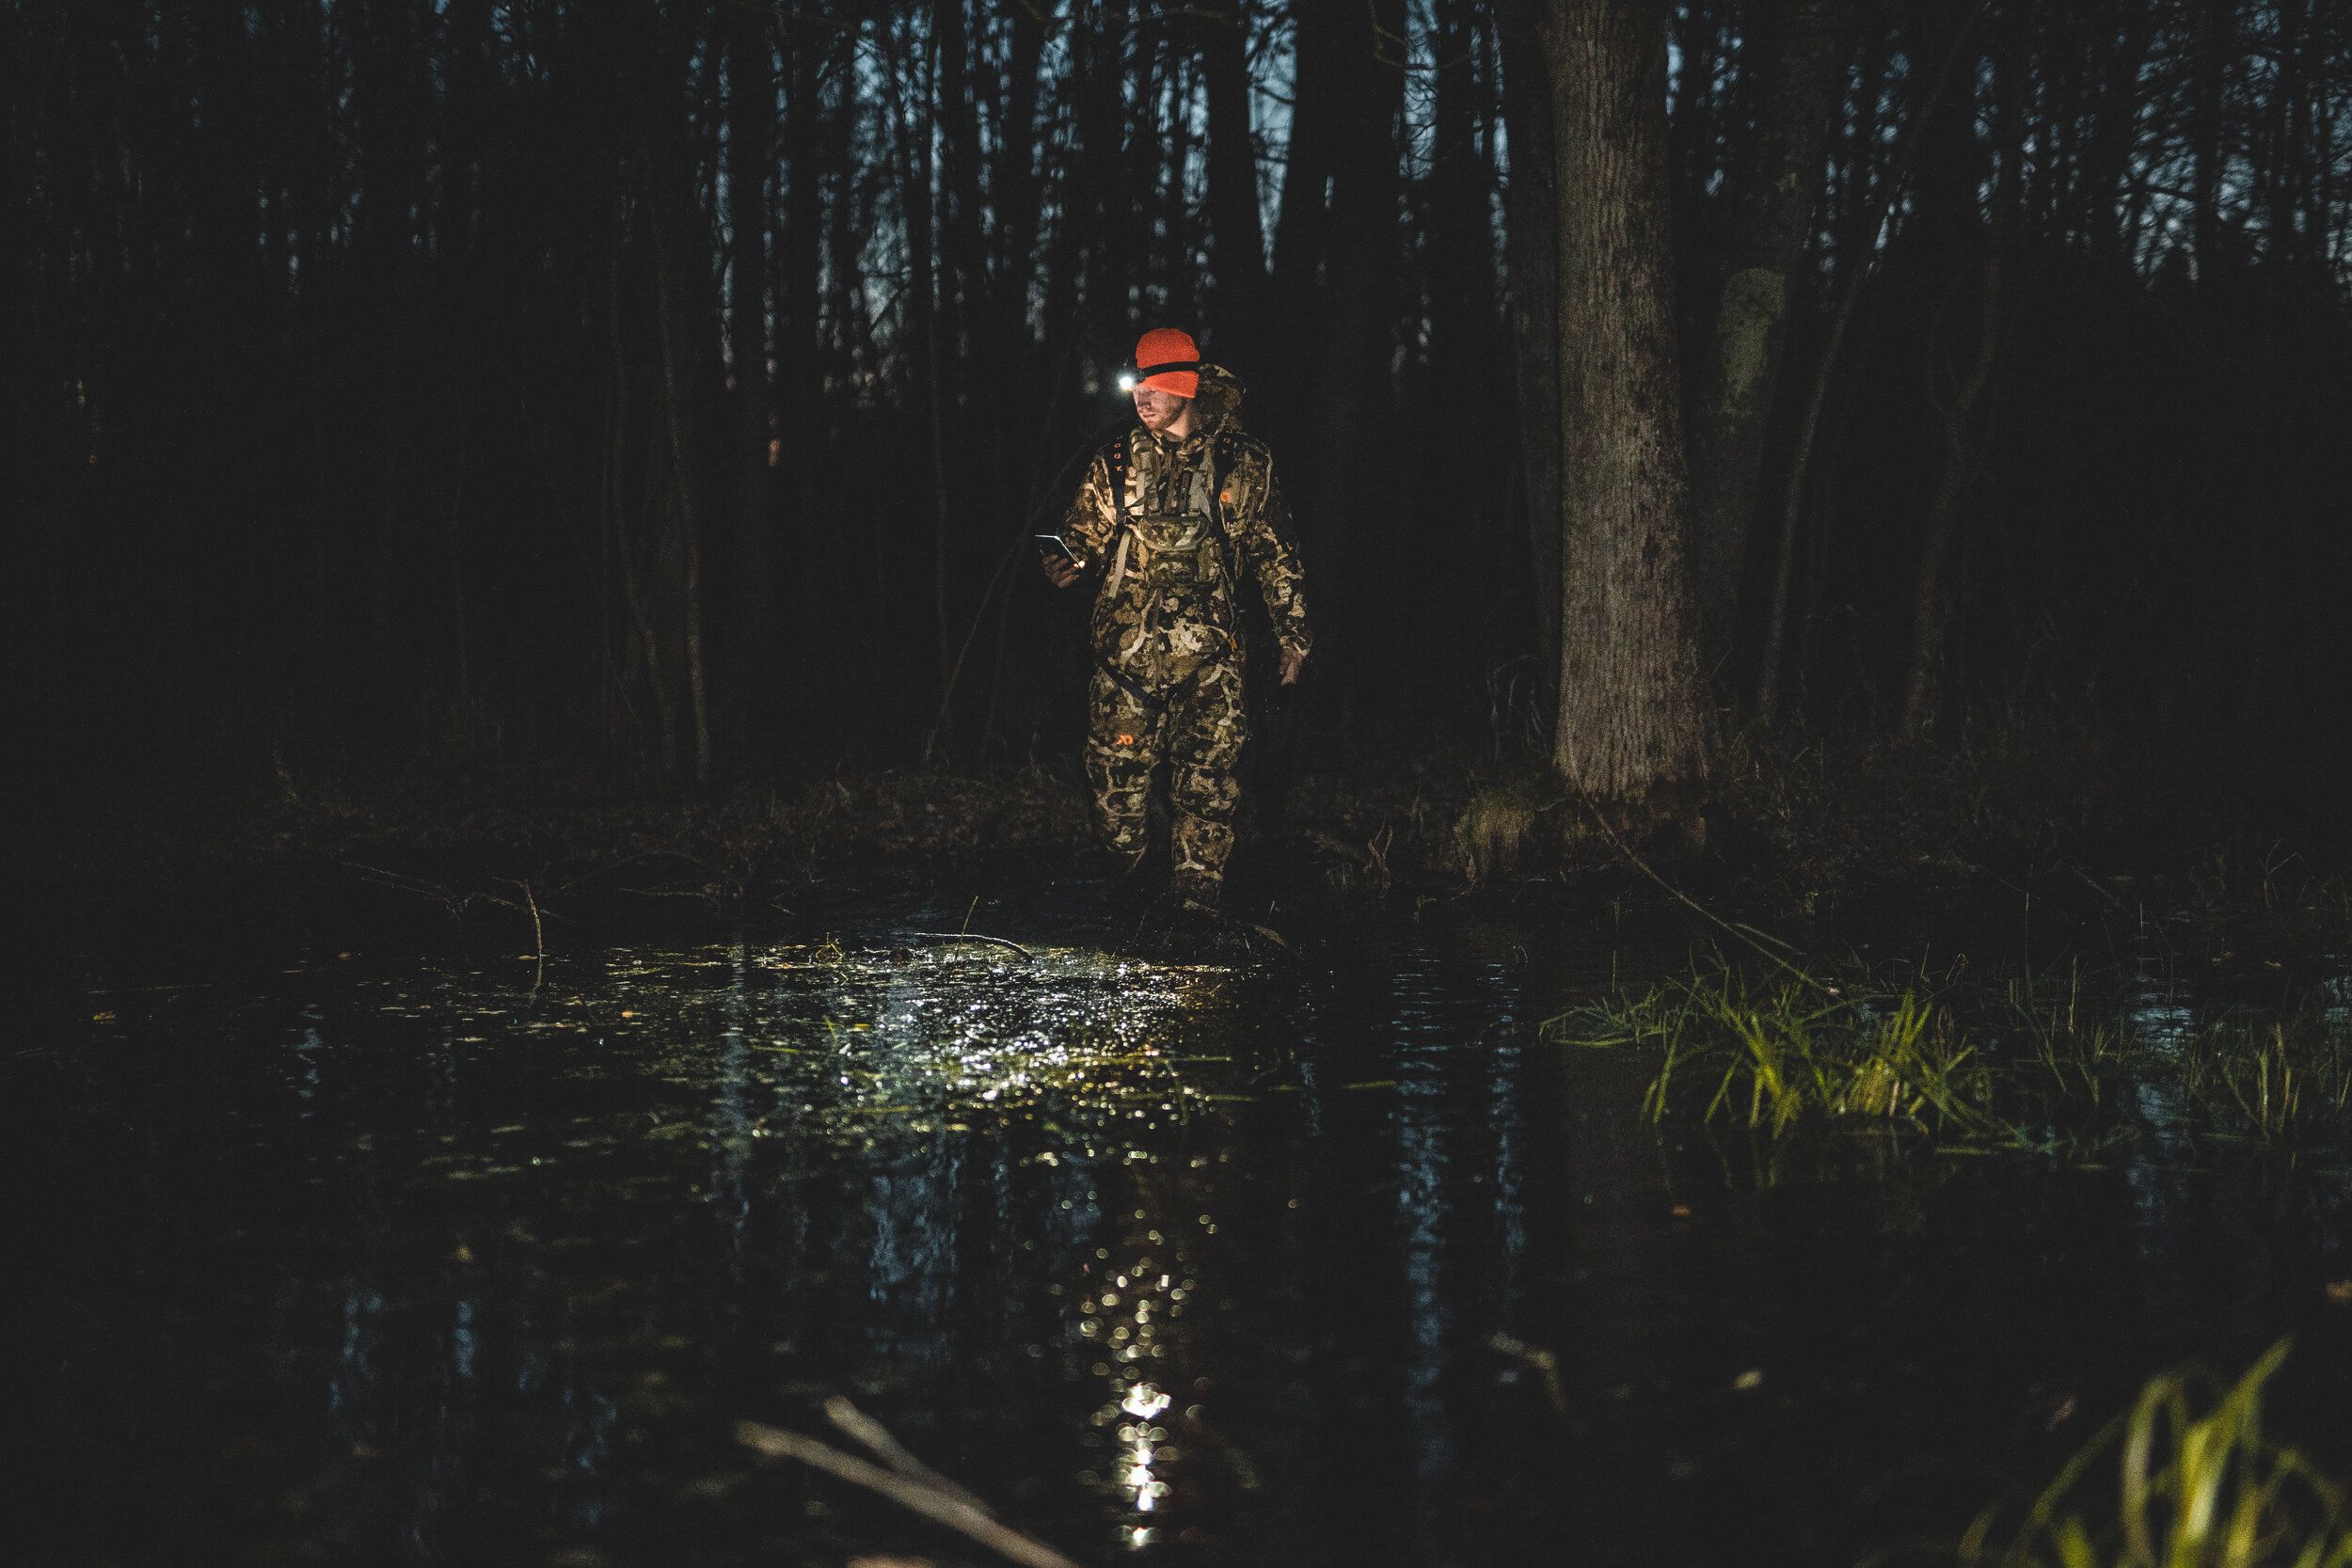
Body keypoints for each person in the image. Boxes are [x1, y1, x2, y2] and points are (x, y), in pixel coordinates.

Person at [1041, 327, 1311, 911]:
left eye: (1156, 387)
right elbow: (1081, 539)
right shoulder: (1116, 459)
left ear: (1185, 387)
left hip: (1212, 662)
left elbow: (1275, 552)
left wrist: (1293, 638)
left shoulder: (1243, 462)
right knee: (1114, 803)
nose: (1143, 398)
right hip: (1125, 663)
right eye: (1137, 385)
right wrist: (1064, 562)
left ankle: (1195, 915)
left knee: (1209, 794)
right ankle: (1137, 890)